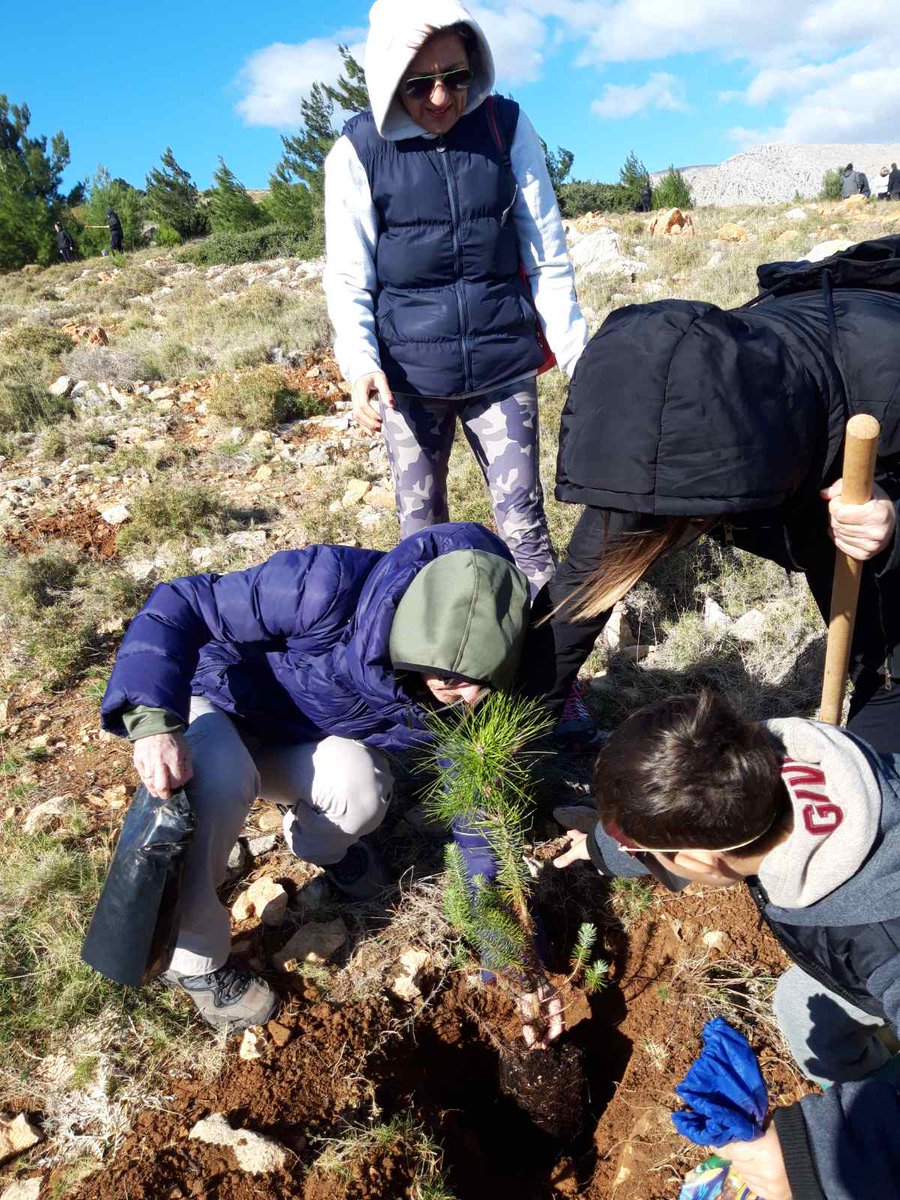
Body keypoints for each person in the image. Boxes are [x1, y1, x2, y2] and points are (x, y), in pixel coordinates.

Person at [100, 522, 532, 1030]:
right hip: (218, 704)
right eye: (457, 681)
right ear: (417, 644)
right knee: (216, 783)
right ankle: (196, 965)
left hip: (298, 739)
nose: (472, 698)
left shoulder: (477, 676)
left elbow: (476, 808)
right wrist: (153, 721)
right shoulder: (323, 587)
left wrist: (500, 940)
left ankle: (325, 849)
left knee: (362, 788)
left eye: (484, 682)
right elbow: (182, 603)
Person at [526, 235, 900, 754]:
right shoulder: (668, 419)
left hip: (861, 442)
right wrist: (506, 741)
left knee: (885, 668)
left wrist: (890, 508)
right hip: (789, 437)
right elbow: (578, 598)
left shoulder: (887, 377)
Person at [553, 690, 900, 1200]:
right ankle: (863, 1087)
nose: (642, 860)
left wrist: (813, 1157)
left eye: (645, 856)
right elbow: (689, 804)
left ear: (700, 862)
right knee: (799, 1008)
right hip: (862, 968)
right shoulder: (782, 765)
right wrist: (603, 850)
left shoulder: (882, 935)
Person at [323, 0, 588, 597]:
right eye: (419, 84)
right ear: (389, 78)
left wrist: (578, 356)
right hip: (410, 379)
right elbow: (348, 276)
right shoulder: (358, 152)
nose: (441, 98)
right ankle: (433, 681)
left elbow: (545, 250)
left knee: (526, 529)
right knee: (421, 539)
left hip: (502, 366)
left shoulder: (505, 127)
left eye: (456, 77)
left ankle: (550, 681)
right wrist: (361, 364)